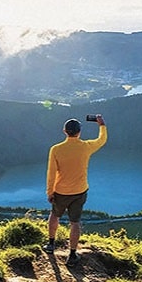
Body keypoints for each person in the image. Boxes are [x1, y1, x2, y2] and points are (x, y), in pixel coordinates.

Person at [44, 114, 107, 266]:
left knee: (54, 215)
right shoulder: (86, 147)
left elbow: (51, 173)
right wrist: (102, 125)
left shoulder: (56, 149)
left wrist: (50, 192)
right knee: (75, 222)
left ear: (64, 131)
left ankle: (51, 245)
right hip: (79, 191)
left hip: (60, 191)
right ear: (79, 132)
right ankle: (72, 255)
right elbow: (101, 140)